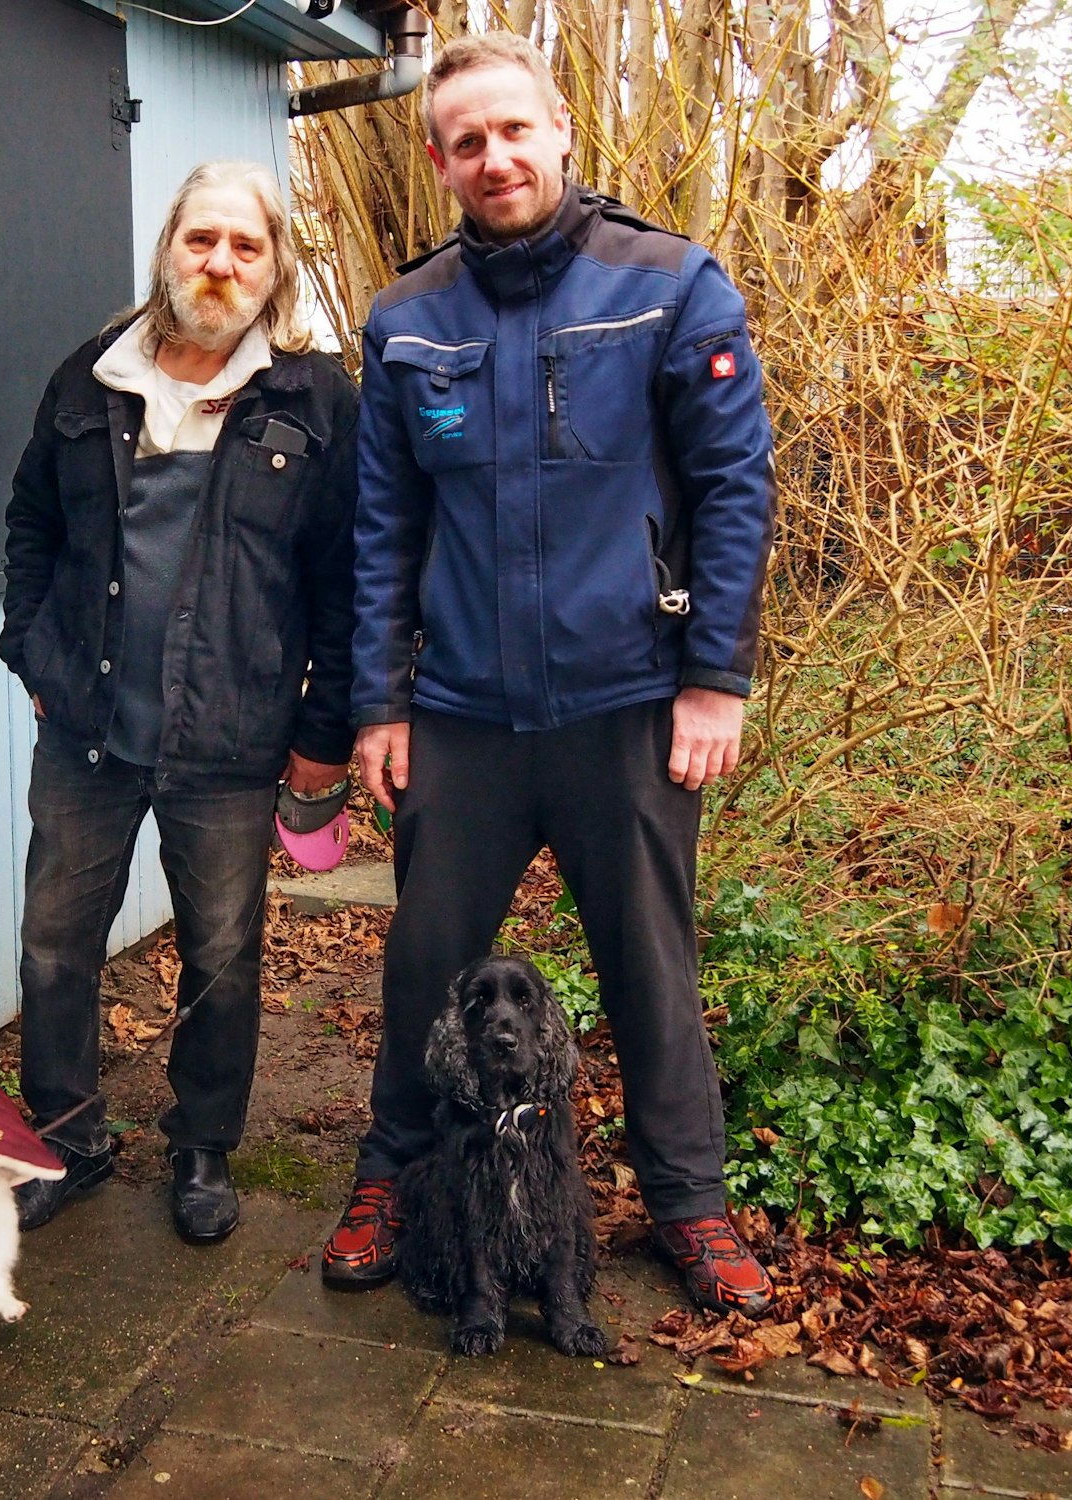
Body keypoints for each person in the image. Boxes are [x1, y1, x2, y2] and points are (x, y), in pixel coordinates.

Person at [321, 35, 777, 1317]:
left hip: (623, 706)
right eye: (466, 142)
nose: (494, 158)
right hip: (460, 717)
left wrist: (714, 679)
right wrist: (378, 700)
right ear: (437, 160)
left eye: (512, 131)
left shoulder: (669, 285)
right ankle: (392, 1177)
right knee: (426, 968)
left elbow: (734, 489)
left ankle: (688, 1207)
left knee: (649, 968)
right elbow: (382, 530)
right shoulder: (407, 319)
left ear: (560, 128)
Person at [0, 161, 358, 1244]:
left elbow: (346, 577)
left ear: (273, 265)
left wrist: (320, 733)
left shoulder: (312, 397)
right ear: (168, 247)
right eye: (202, 240)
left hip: (231, 738)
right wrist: (35, 654)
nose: (219, 263)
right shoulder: (86, 378)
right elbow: (30, 528)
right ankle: (64, 1139)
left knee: (219, 955)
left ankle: (202, 1151)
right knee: (55, 946)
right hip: (90, 732)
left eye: (244, 246)